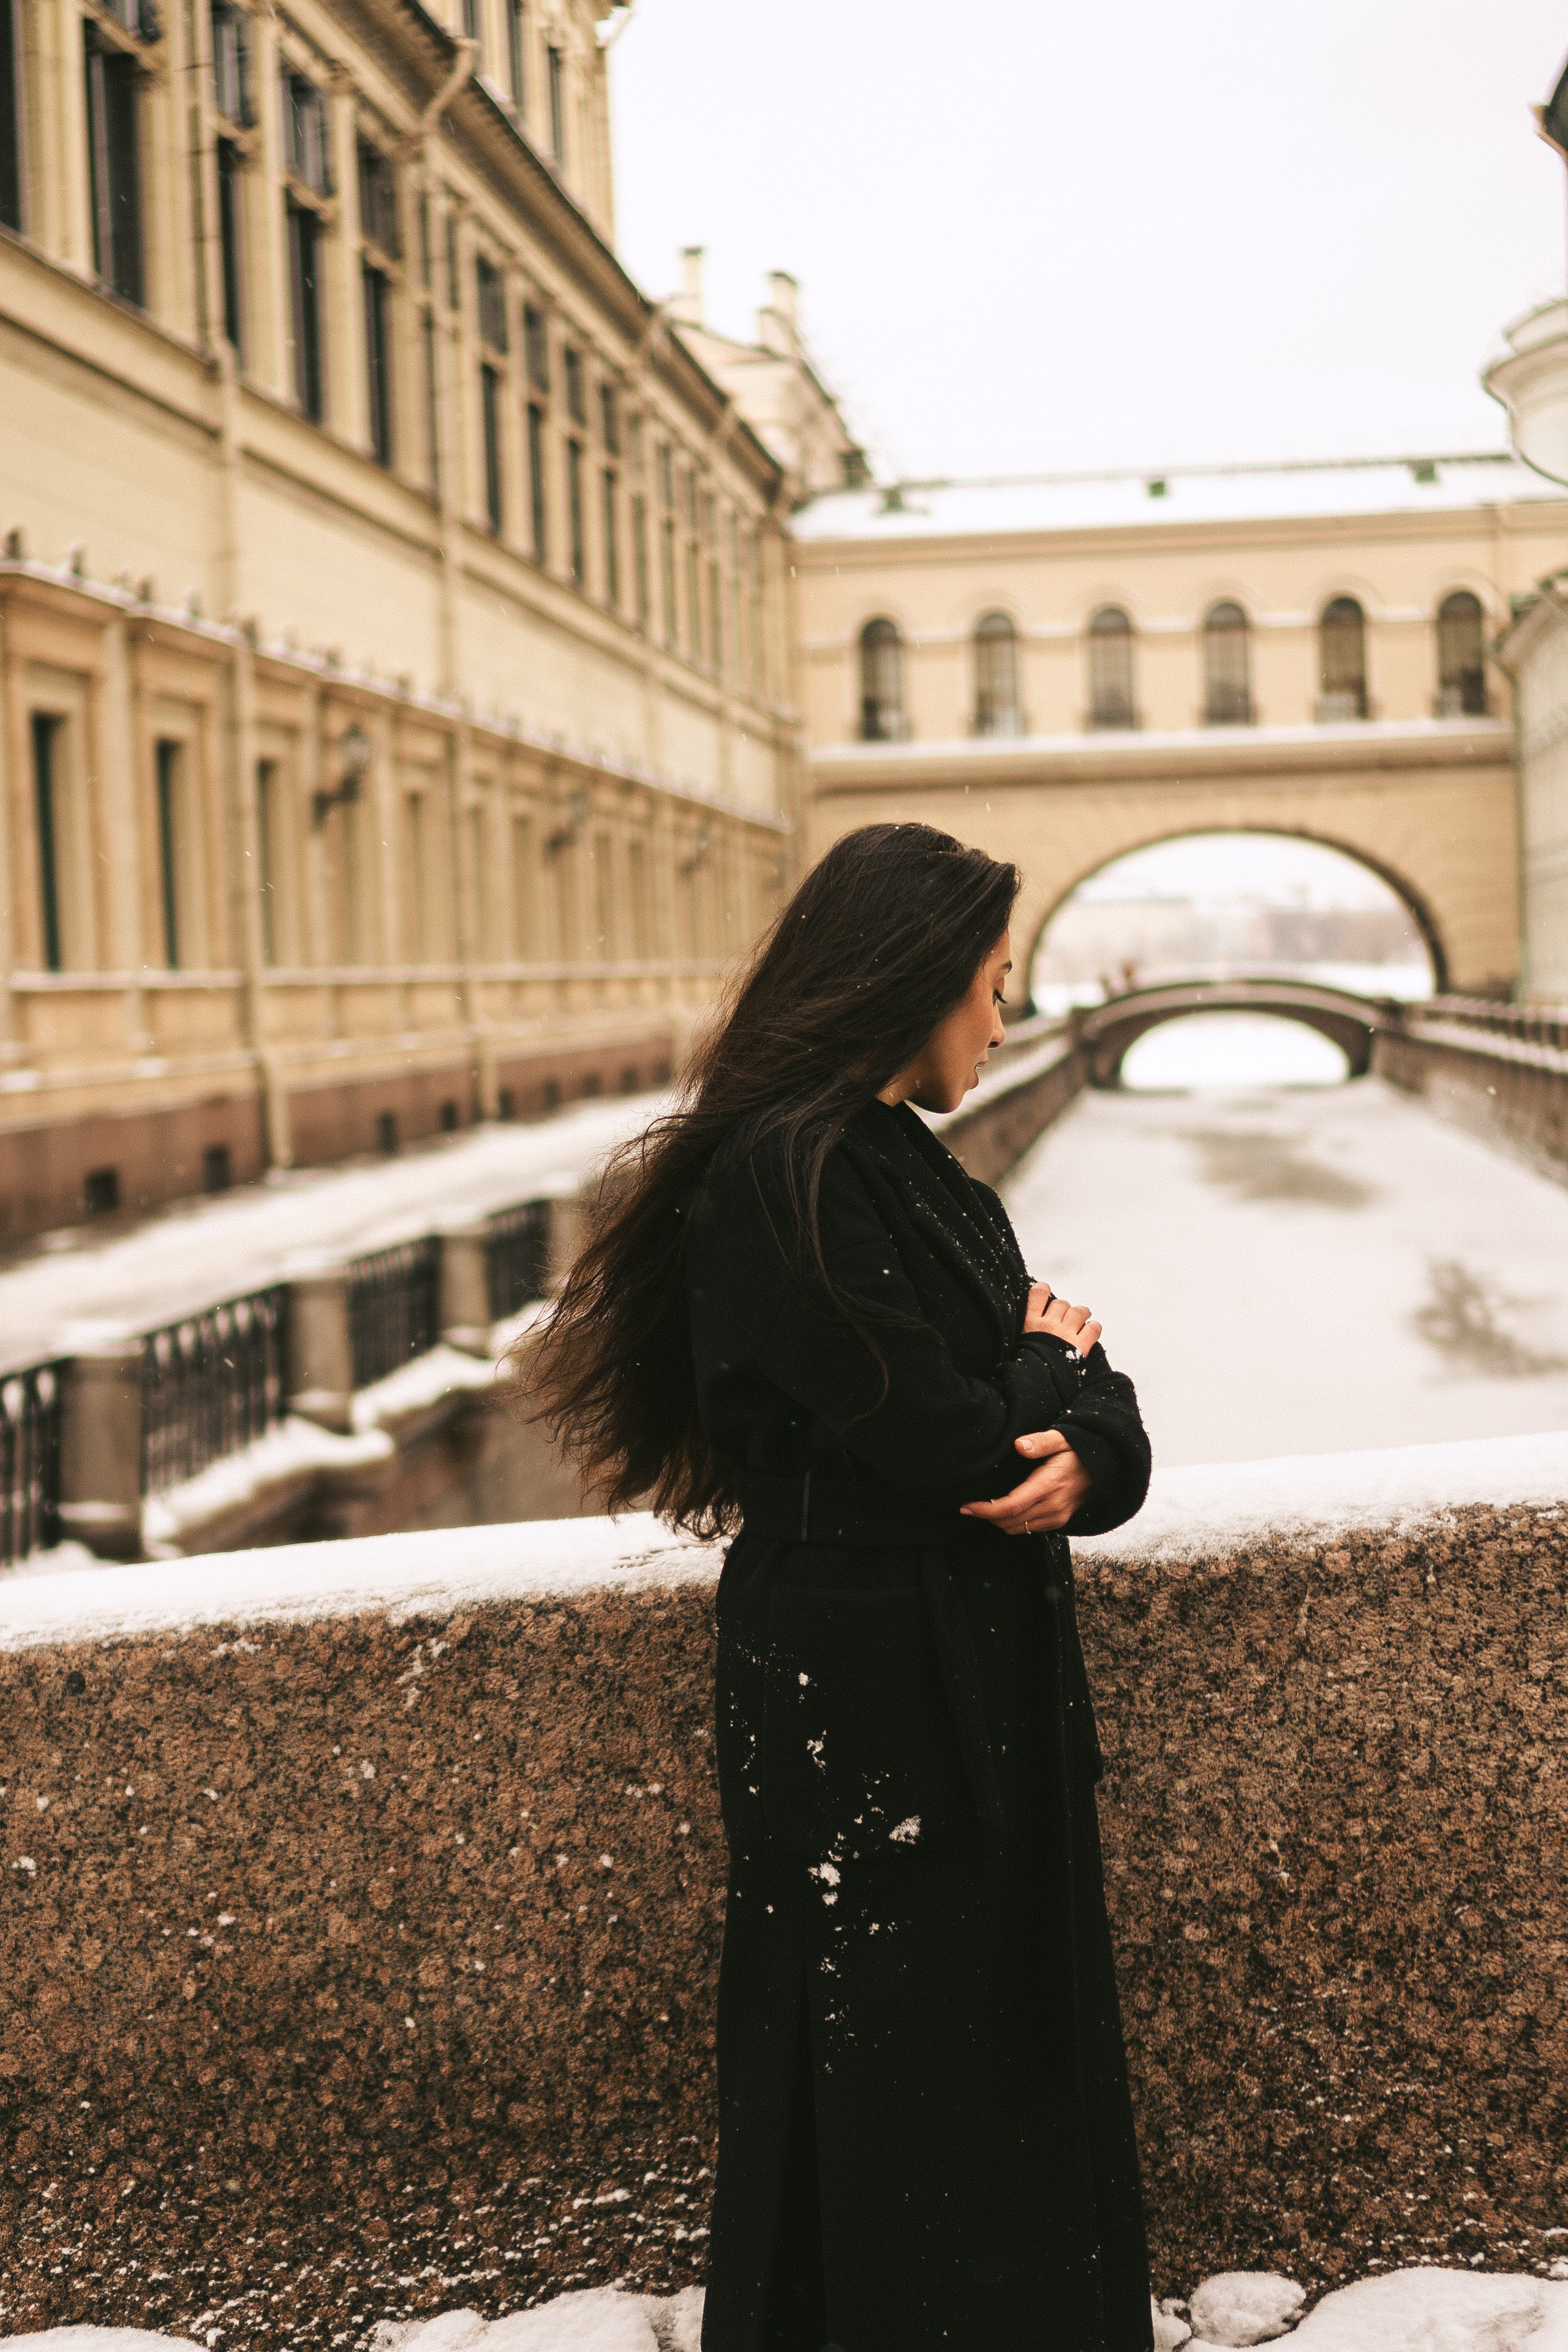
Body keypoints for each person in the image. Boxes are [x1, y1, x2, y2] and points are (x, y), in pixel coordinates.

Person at [526, 823, 1154, 2352]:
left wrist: (1084, 1431)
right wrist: (1043, 1380)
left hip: (972, 1662)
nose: (1007, 1019)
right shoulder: (779, 1174)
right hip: (861, 1688)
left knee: (991, 2035)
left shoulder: (910, 1169)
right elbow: (941, 1430)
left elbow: (1082, 1401)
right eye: (994, 985)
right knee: (883, 2054)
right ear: (915, 977)